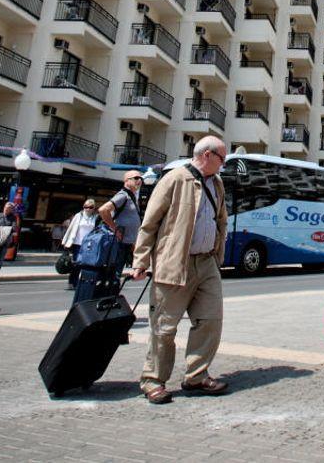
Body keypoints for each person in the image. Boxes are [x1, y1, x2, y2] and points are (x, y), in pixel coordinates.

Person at [131, 136, 230, 405]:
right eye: (222, 158)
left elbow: (220, 220)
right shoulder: (174, 179)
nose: (224, 164)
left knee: (210, 320)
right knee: (164, 327)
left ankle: (196, 375)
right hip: (175, 262)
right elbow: (150, 223)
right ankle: (153, 381)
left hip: (207, 262)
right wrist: (140, 261)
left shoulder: (217, 184)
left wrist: (217, 252)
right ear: (207, 155)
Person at [99, 170, 144, 272]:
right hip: (119, 244)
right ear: (126, 181)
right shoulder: (123, 195)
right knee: (113, 274)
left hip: (126, 243)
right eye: (136, 178)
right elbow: (103, 210)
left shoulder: (131, 197)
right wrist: (114, 228)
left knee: (116, 274)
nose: (139, 181)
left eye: (141, 178)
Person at [61, 199, 99, 290]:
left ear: (94, 208)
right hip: (77, 243)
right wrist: (66, 242)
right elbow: (71, 228)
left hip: (89, 244)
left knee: (85, 264)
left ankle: (80, 282)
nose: (88, 209)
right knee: (77, 263)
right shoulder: (79, 216)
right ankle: (72, 282)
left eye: (90, 207)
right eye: (85, 207)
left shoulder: (96, 217)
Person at [0, 202, 20, 283]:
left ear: (11, 210)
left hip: (5, 242)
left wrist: (0, 228)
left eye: (9, 208)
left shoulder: (13, 218)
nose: (6, 209)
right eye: (6, 207)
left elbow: (14, 228)